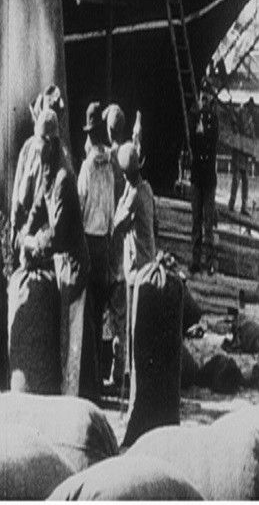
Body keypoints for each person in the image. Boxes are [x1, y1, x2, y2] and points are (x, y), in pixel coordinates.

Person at [19, 109, 96, 400]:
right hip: (62, 263)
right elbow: (39, 205)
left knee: (72, 341)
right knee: (65, 335)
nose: (38, 152)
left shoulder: (64, 177)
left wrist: (32, 243)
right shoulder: (49, 170)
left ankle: (71, 400)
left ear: (52, 144)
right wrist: (25, 231)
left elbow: (58, 233)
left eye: (42, 145)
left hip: (74, 264)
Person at [77, 102, 114, 398]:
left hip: (88, 241)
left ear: (90, 136)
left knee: (87, 314)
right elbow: (111, 207)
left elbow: (79, 203)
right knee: (101, 312)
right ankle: (101, 377)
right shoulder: (110, 165)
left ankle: (88, 383)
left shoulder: (88, 166)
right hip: (105, 243)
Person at [10, 84, 68, 265]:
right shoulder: (32, 149)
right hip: (36, 227)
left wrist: (16, 225)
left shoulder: (57, 156)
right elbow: (19, 191)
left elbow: (21, 194)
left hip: (44, 232)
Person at [113, 141, 157, 376]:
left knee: (133, 326)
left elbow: (117, 224)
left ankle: (131, 372)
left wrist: (123, 195)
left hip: (136, 268)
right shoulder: (147, 189)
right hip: (149, 261)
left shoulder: (132, 197)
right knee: (146, 324)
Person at [103, 103, 127, 390]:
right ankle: (119, 370)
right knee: (121, 315)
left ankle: (107, 370)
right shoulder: (126, 158)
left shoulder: (107, 159)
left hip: (107, 242)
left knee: (105, 312)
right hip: (122, 246)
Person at [188, 84, 219, 275]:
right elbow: (191, 140)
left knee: (208, 223)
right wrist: (197, 123)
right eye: (203, 99)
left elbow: (212, 140)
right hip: (198, 176)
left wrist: (203, 130)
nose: (205, 102)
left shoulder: (213, 119)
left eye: (207, 99)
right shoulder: (195, 118)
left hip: (208, 178)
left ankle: (209, 260)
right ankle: (195, 259)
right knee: (196, 220)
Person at [228, 97, 255, 216]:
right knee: (236, 179)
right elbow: (239, 128)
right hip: (239, 152)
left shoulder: (249, 119)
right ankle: (232, 203)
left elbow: (251, 135)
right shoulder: (242, 115)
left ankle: (243, 206)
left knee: (245, 181)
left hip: (245, 153)